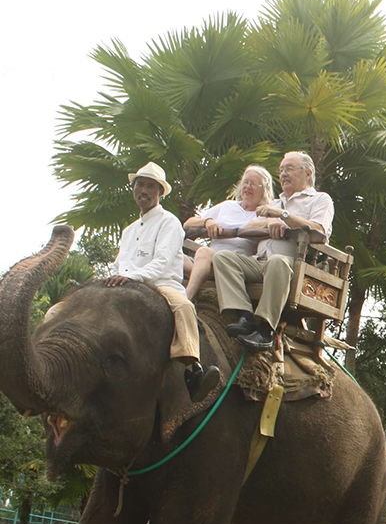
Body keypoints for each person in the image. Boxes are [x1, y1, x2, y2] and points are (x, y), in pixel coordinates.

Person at [107, 162, 220, 402]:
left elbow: (162, 262)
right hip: (128, 284)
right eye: (140, 185)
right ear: (133, 189)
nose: (144, 190)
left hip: (161, 284)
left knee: (184, 306)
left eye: (150, 186)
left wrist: (132, 277)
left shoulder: (169, 222)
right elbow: (121, 263)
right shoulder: (128, 231)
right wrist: (119, 278)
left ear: (160, 192)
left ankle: (194, 369)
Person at [214, 151, 335, 352]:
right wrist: (272, 220)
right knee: (223, 258)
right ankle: (244, 315)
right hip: (259, 261)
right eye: (281, 170)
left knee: (277, 261)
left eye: (289, 168)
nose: (283, 174)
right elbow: (251, 224)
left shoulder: (320, 199)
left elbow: (318, 230)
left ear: (308, 173)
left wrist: (284, 217)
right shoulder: (274, 203)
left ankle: (265, 329)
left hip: (293, 265)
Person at [181, 166, 276, 300]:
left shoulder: (266, 214)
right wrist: (207, 222)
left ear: (264, 189)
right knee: (173, 255)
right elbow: (188, 223)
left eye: (253, 184)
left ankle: (186, 298)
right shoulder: (227, 206)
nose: (247, 187)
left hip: (234, 263)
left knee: (203, 252)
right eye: (245, 182)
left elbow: (277, 224)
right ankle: (202, 274)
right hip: (205, 262)